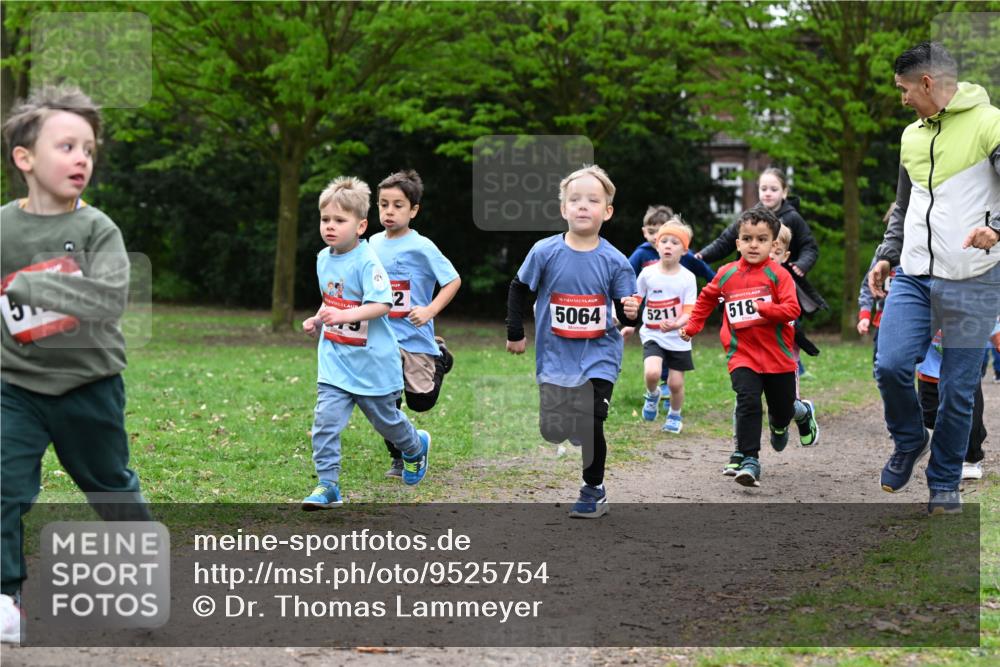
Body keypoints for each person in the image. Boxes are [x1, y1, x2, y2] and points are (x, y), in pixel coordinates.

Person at [1, 86, 151, 644]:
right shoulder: (3, 228)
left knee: (110, 485)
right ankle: (5, 598)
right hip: (15, 386)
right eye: (66, 146)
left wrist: (34, 284)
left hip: (89, 386)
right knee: (4, 487)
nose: (81, 158)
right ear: (24, 158)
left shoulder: (97, 229)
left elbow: (109, 299)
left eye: (88, 149)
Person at [868, 42, 1000, 515]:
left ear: (927, 83)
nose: (902, 98)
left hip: (972, 277)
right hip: (914, 274)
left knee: (957, 390)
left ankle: (944, 482)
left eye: (904, 89)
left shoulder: (990, 124)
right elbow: (905, 206)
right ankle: (909, 440)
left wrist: (996, 228)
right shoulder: (911, 136)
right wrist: (887, 255)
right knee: (890, 365)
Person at [505, 165, 639, 518]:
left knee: (591, 421)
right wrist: (515, 332)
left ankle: (593, 490)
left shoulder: (616, 261)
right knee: (552, 431)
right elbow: (519, 288)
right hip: (555, 358)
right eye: (575, 199)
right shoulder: (544, 251)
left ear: (607, 211)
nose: (583, 205)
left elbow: (627, 316)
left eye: (592, 200)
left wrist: (631, 313)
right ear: (563, 208)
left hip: (599, 356)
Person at [300, 176, 430, 509]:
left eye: (339, 220)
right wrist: (318, 319)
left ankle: (415, 447)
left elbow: (381, 305)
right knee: (325, 424)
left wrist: (342, 316)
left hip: (373, 364)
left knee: (387, 423)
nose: (330, 226)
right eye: (325, 219)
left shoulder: (367, 261)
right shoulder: (322, 258)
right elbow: (333, 298)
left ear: (360, 226)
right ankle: (328, 485)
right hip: (335, 362)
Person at [680, 208, 818, 487]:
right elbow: (707, 298)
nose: (754, 245)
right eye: (747, 239)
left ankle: (798, 415)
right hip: (742, 354)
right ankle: (749, 459)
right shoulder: (726, 273)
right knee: (748, 401)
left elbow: (792, 309)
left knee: (782, 410)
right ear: (737, 243)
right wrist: (692, 326)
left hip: (778, 357)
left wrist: (765, 309)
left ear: (773, 244)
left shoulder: (779, 275)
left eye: (761, 239)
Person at [369, 170, 460, 479]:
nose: (389, 211)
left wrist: (430, 310)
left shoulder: (422, 247)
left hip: (415, 337)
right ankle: (400, 456)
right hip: (382, 338)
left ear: (413, 210)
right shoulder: (371, 244)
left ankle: (439, 356)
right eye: (383, 204)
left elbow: (453, 280)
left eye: (398, 205)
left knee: (422, 402)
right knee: (386, 401)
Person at [696, 168, 821, 376]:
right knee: (750, 323)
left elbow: (810, 246)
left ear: (784, 192)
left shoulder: (793, 218)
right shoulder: (749, 218)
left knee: (789, 323)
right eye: (764, 189)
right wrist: (703, 255)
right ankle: (747, 364)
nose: (768, 193)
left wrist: (802, 264)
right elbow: (725, 241)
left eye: (773, 189)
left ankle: (794, 364)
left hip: (779, 281)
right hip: (749, 283)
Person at [634, 218, 698, 433]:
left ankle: (674, 415)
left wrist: (677, 323)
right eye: (664, 241)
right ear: (657, 245)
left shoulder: (688, 278)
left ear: (684, 250)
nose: (668, 246)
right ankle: (652, 395)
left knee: (675, 384)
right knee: (652, 373)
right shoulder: (647, 273)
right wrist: (628, 312)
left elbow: (689, 310)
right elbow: (636, 297)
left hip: (678, 337)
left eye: (674, 242)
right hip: (653, 334)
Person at [915, 330, 990, 481]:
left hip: (966, 361)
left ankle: (970, 458)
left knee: (969, 411)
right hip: (930, 365)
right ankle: (938, 457)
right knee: (929, 419)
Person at [858, 205, 898, 368]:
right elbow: (868, 286)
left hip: (913, 322)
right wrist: (865, 315)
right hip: (883, 320)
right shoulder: (881, 255)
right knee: (881, 366)